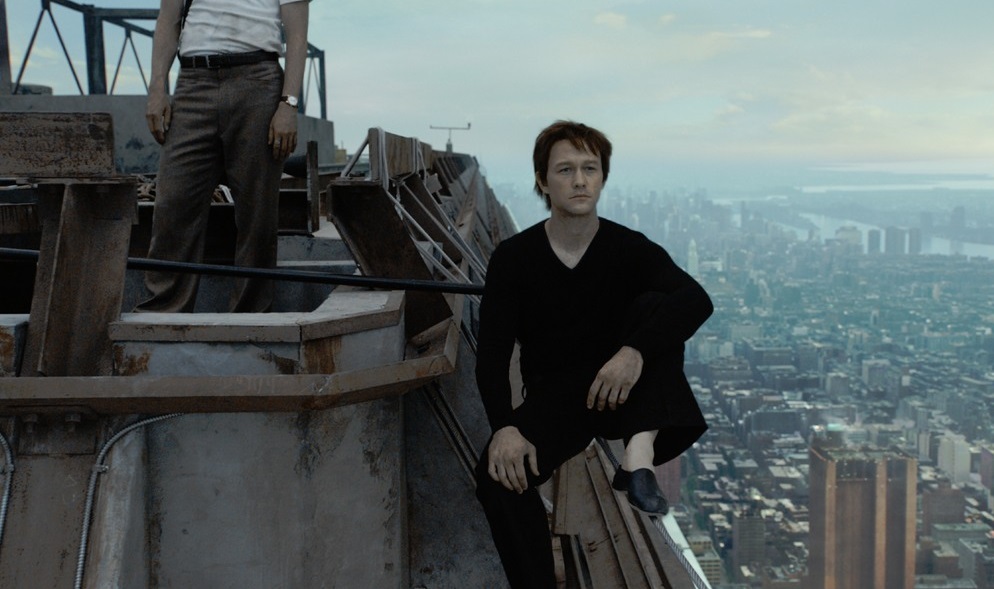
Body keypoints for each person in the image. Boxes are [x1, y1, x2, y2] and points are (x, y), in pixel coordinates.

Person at [474, 120, 713, 588]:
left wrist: (633, 352)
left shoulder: (628, 248)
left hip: (624, 392)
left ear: (603, 177)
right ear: (543, 181)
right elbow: (492, 355)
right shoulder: (514, 258)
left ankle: (638, 457)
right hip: (558, 399)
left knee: (658, 304)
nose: (580, 180)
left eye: (590, 168)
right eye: (565, 169)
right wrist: (504, 427)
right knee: (496, 478)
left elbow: (696, 299)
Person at [138, 0, 309, 312]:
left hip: (258, 81)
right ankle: (164, 314)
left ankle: (250, 316)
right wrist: (157, 89)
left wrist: (289, 104)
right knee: (173, 203)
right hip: (193, 83)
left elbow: (297, 35)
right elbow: (167, 20)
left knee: (257, 211)